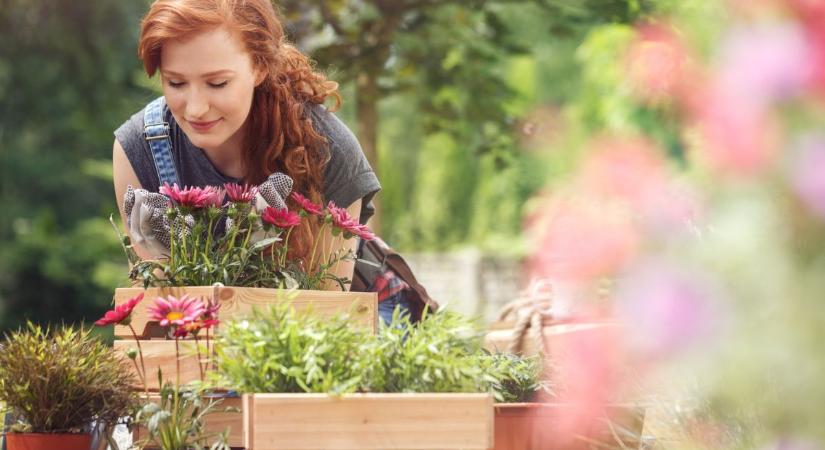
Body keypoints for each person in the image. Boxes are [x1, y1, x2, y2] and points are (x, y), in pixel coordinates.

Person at [112, 0, 382, 293]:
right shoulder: (140, 149)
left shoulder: (328, 150)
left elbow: (326, 314)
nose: (195, 109)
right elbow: (152, 309)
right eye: (175, 83)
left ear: (259, 67)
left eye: (217, 83)